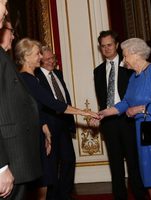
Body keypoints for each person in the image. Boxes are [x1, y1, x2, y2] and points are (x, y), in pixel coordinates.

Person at [14, 38, 98, 200]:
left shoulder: (31, 77)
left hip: (38, 132)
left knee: (44, 180)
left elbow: (37, 108)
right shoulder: (27, 78)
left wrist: (45, 130)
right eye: (37, 53)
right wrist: (83, 112)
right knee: (42, 182)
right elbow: (52, 103)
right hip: (31, 136)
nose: (41, 57)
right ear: (26, 56)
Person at [95, 38, 151, 200]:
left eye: (125, 57)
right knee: (148, 173)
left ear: (136, 54)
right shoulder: (134, 77)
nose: (123, 61)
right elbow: (125, 103)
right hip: (142, 128)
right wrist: (104, 113)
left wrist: (139, 109)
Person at [93, 30, 145, 200]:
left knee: (134, 164)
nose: (106, 49)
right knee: (115, 167)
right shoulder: (98, 71)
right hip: (109, 123)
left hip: (128, 119)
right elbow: (102, 99)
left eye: (109, 45)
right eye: (103, 46)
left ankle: (139, 196)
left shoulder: (129, 67)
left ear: (116, 45)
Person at [0, 2, 42, 200]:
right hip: (8, 156)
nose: (6, 10)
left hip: (15, 156)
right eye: (3, 3)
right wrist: (1, 166)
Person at [35, 46, 77, 200]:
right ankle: (52, 197)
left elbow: (65, 99)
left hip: (64, 124)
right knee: (51, 164)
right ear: (40, 61)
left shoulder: (58, 74)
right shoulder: (36, 77)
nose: (51, 61)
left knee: (69, 160)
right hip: (48, 126)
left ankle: (65, 195)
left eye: (53, 58)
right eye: (47, 59)